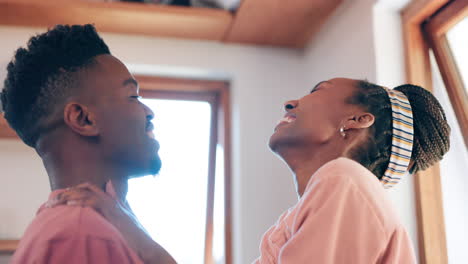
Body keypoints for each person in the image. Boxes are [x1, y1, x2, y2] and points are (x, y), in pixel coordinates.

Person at [49, 83, 450, 260]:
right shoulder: (323, 202)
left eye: (318, 89)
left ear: (357, 120)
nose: (292, 101)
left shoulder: (343, 180)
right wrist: (125, 221)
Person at [1, 24, 175, 263]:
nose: (149, 111)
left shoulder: (112, 224)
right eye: (133, 96)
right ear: (83, 119)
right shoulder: (82, 233)